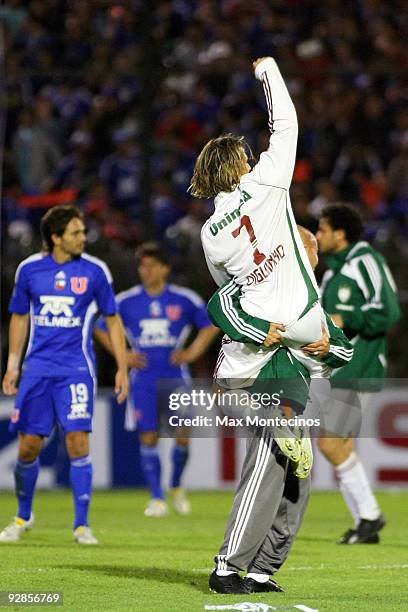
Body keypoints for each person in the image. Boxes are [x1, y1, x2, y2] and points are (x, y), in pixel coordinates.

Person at [191, 56, 341, 594]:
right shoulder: (271, 183)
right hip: (264, 362)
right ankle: (229, 566)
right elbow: (288, 122)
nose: (256, 159)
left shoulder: (212, 232)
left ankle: (261, 568)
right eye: (248, 157)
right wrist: (270, 70)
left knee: (293, 465)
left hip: (278, 357)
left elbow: (228, 286)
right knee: (273, 457)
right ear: (239, 165)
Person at [204, 226, 354, 594]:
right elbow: (218, 305)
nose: (312, 254)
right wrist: (258, 329)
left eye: (314, 248)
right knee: (267, 466)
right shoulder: (259, 276)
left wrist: (326, 346)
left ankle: (261, 570)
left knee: (297, 481)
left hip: (295, 398)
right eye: (307, 245)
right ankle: (227, 568)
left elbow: (345, 349)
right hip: (253, 386)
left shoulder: (312, 301)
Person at [1, 205, 128, 545]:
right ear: (56, 238)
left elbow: (112, 320)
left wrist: (122, 367)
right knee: (28, 447)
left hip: (75, 369)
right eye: (75, 233)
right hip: (37, 369)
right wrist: (13, 364)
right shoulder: (29, 270)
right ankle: (23, 516)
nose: (83, 238)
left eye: (83, 231)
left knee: (78, 440)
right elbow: (19, 317)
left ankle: (82, 526)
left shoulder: (96, 271)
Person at [94, 242, 219, 517]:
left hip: (176, 377)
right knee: (148, 436)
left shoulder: (183, 298)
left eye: (151, 266)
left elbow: (211, 324)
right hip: (144, 380)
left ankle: (175, 484)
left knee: (183, 435)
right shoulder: (126, 300)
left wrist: (191, 352)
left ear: (165, 269)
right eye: (142, 266)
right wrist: (123, 355)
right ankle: (157, 497)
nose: (145, 271)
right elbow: (101, 327)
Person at [316, 203, 401, 544]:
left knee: (330, 443)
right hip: (340, 368)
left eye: (322, 229)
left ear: (340, 233)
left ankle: (369, 515)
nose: (319, 235)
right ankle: (365, 522)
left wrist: (348, 319)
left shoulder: (365, 261)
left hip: (358, 365)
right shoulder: (332, 273)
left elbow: (389, 311)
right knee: (340, 444)